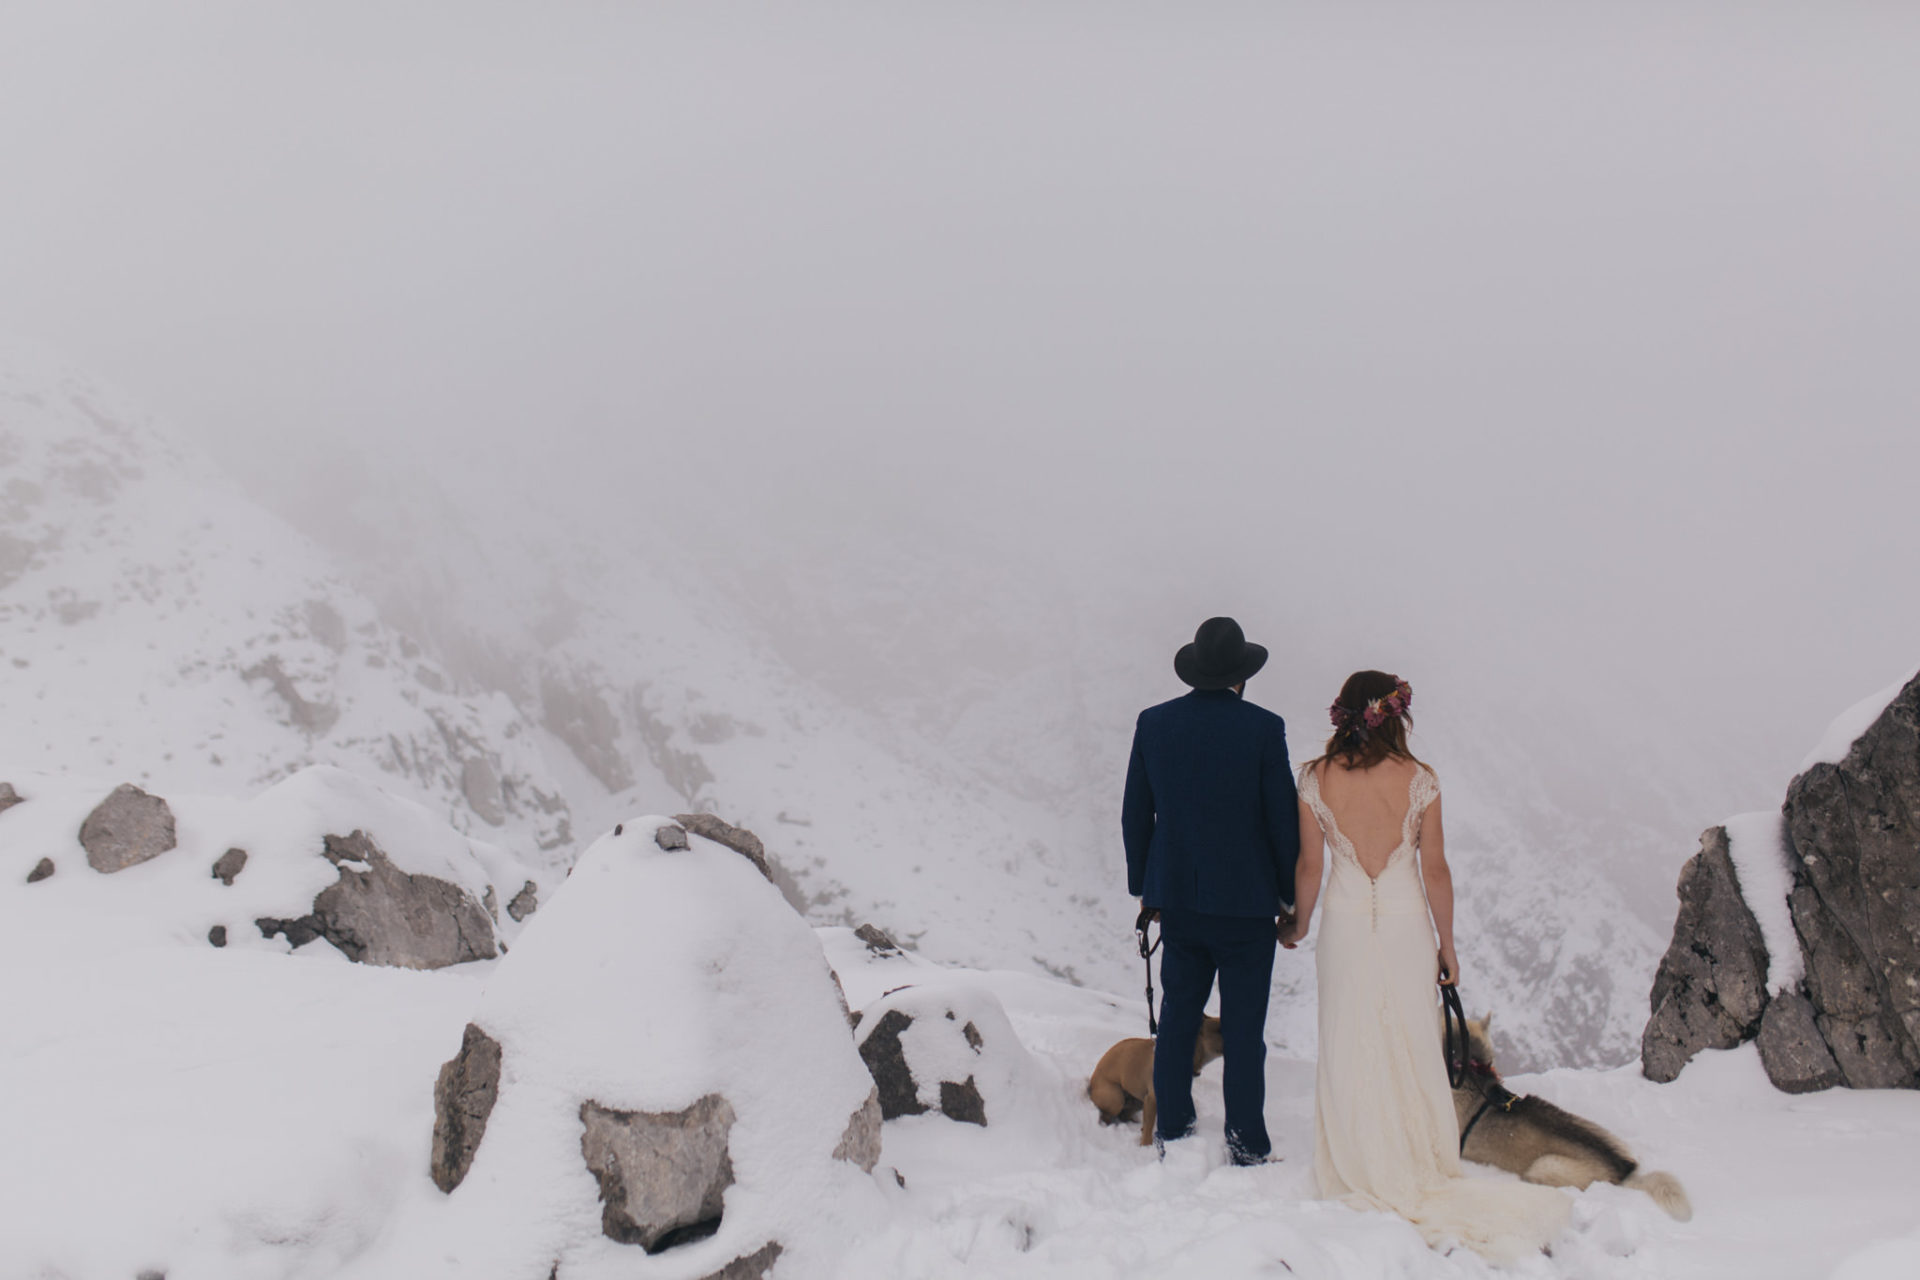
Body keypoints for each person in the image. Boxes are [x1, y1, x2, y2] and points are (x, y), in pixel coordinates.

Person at [1281, 671, 1570, 1262]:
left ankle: (1358, 1153)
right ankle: (1416, 1153)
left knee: (1350, 1034)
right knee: (1410, 1037)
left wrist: (1299, 924)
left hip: (1344, 921)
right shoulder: (1421, 781)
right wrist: (1449, 945)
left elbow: (1309, 868)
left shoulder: (1314, 778)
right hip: (1409, 922)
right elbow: (1435, 870)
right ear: (1395, 717)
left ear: (1344, 714)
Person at [1122, 616, 1299, 1164]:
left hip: (1176, 899)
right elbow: (1282, 823)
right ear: (1242, 676)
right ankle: (1246, 1142)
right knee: (1245, 1030)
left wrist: (1145, 887)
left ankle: (1172, 1129)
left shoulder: (1154, 724)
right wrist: (1288, 898)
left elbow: (1135, 814)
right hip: (1247, 908)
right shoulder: (1264, 729)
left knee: (1178, 1017)